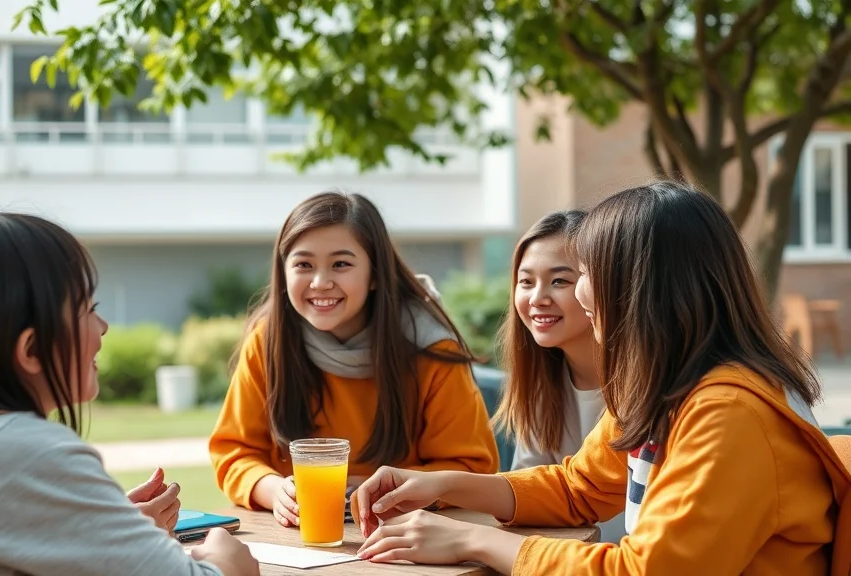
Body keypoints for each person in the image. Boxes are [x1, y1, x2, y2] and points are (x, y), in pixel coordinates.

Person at [352, 181, 851, 574]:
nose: (580, 293)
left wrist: (473, 539)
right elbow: (579, 488)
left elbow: (645, 572)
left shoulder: (730, 414)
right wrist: (442, 484)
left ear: (643, 290)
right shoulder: (668, 385)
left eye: (583, 272)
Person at [0, 212, 259, 576]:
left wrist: (104, 524)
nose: (103, 327)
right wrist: (227, 560)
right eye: (89, 309)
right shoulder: (14, 448)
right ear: (32, 349)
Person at [208, 190, 499, 527]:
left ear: (376, 274)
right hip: (295, 535)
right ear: (283, 272)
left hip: (406, 533)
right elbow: (234, 451)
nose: (320, 282)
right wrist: (272, 489)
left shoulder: (431, 349)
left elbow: (472, 467)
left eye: (341, 264)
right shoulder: (268, 340)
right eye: (303, 264)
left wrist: (384, 489)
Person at [492, 209, 624, 542]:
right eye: (526, 282)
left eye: (560, 281)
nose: (537, 298)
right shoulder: (539, 385)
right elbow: (529, 495)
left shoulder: (645, 386)